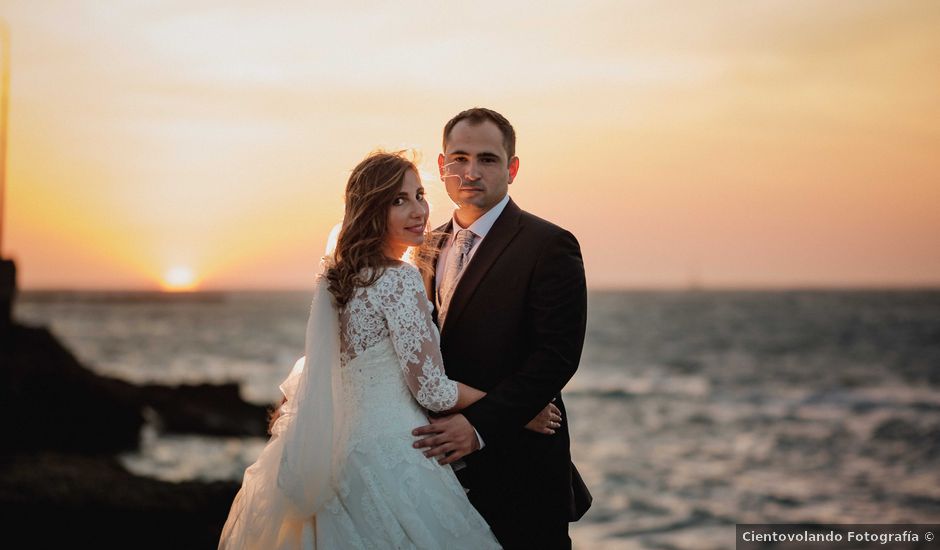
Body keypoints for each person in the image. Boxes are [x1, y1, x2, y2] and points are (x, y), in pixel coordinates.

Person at [218, 151, 559, 549]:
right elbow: (432, 389)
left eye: (419, 195)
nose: (418, 211)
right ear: (371, 212)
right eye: (399, 201)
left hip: (341, 457)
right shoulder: (399, 279)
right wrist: (516, 411)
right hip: (394, 457)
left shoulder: (339, 278)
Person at [411, 108, 592, 549]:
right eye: (459, 158)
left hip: (521, 470)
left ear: (511, 169)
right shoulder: (423, 248)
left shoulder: (549, 245)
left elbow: (557, 356)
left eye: (488, 159)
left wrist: (477, 425)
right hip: (438, 472)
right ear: (441, 166)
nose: (471, 171)